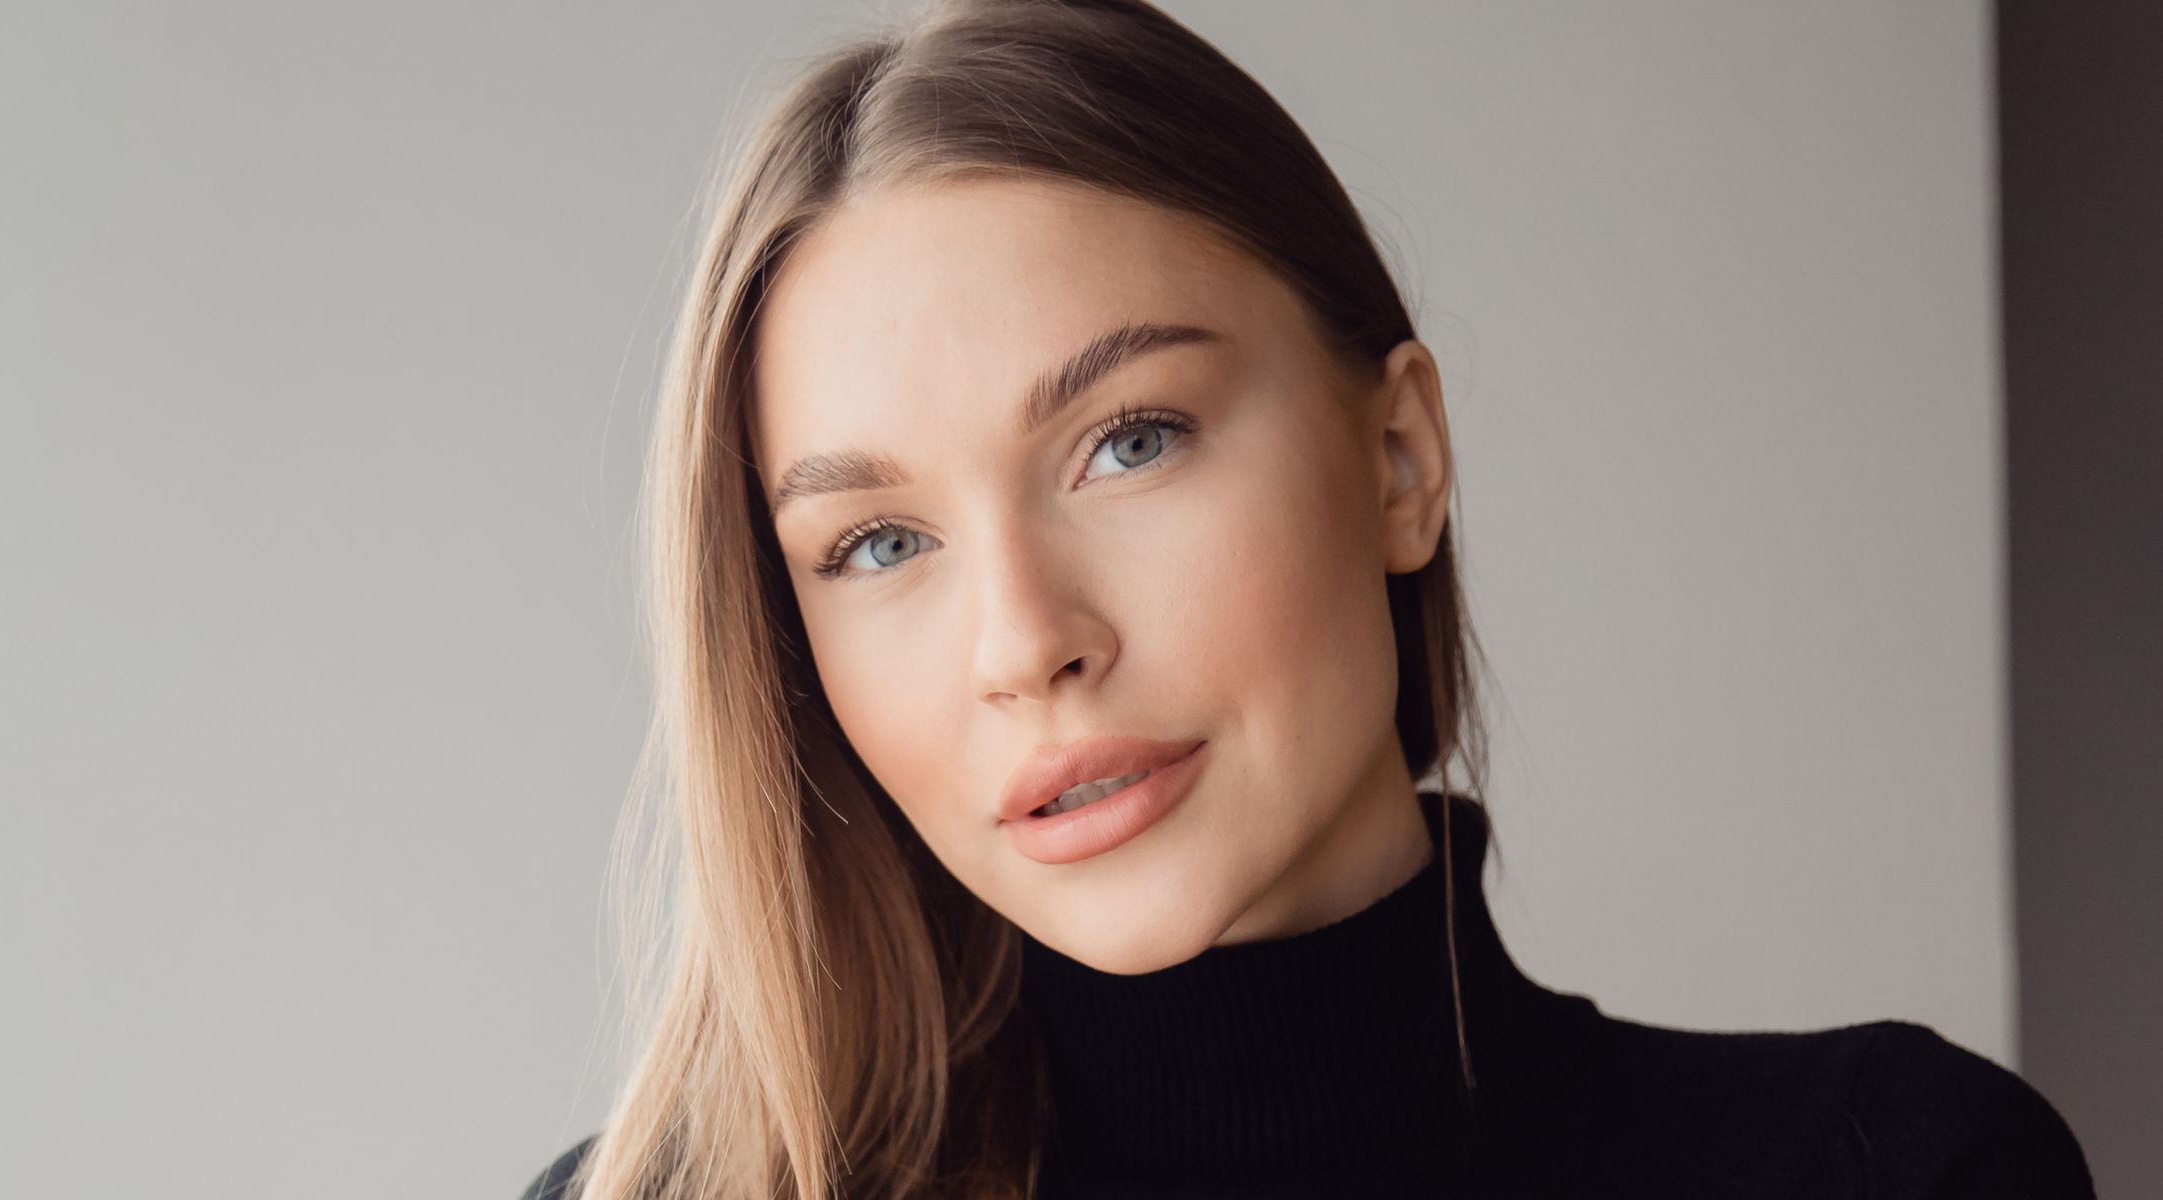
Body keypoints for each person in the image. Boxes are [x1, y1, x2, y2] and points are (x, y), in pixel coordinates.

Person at [519, 1, 2095, 1196]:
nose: (1026, 641)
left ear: (1399, 459)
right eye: (878, 543)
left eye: (1129, 442)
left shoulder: (1896, 1169)